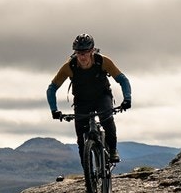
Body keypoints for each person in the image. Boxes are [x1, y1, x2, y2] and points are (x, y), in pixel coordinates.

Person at [47, 33, 132, 164]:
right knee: (81, 137)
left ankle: (113, 150)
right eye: (79, 53)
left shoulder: (102, 61)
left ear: (92, 51)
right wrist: (54, 110)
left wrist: (127, 99)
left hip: (102, 97)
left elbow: (122, 79)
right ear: (75, 52)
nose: (82, 56)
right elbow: (52, 88)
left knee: (107, 119)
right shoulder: (70, 67)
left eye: (85, 52)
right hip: (82, 101)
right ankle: (87, 171)